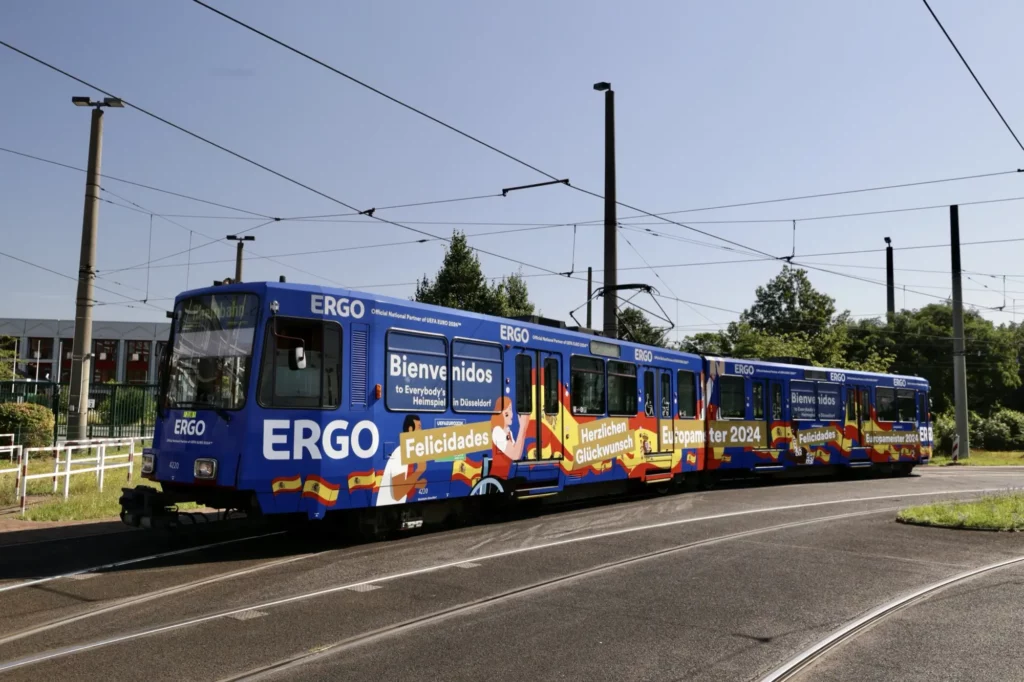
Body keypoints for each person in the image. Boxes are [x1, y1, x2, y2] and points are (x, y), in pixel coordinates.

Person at [376, 414, 428, 506]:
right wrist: (419, 471)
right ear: (410, 429)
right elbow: (398, 493)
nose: (422, 431)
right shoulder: (400, 453)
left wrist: (416, 484)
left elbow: (401, 483)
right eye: (419, 427)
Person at [488, 396, 530, 479]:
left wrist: (524, 428)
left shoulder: (508, 432)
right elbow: (515, 455)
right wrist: (522, 428)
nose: (512, 414)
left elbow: (517, 453)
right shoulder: (497, 432)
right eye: (510, 409)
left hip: (507, 475)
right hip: (499, 478)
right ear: (503, 412)